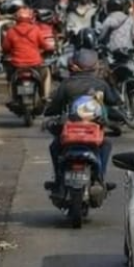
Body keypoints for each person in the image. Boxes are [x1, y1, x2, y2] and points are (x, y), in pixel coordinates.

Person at [43, 49, 121, 192]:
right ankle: (99, 178)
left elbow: (54, 107)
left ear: (74, 65)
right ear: (95, 66)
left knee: (55, 146)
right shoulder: (101, 84)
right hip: (93, 132)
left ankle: (58, 179)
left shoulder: (66, 84)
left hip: (70, 131)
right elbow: (114, 101)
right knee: (106, 145)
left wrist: (49, 114)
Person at [0, 7, 52, 94]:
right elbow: (44, 45)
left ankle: (11, 96)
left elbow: (5, 48)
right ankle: (45, 96)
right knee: (46, 72)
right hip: (35, 63)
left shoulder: (11, 31)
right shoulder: (36, 30)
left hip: (17, 64)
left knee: (10, 77)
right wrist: (49, 49)